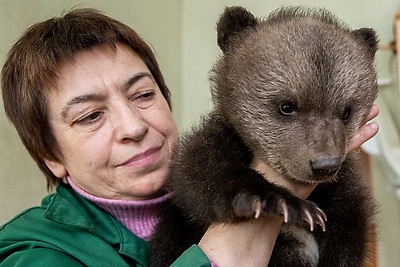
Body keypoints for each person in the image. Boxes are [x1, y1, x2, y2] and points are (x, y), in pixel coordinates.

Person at [0, 8, 379, 266]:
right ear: (49, 153)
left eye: (143, 95)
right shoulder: (32, 250)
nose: (133, 126)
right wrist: (267, 197)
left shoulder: (195, 173)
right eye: (90, 115)